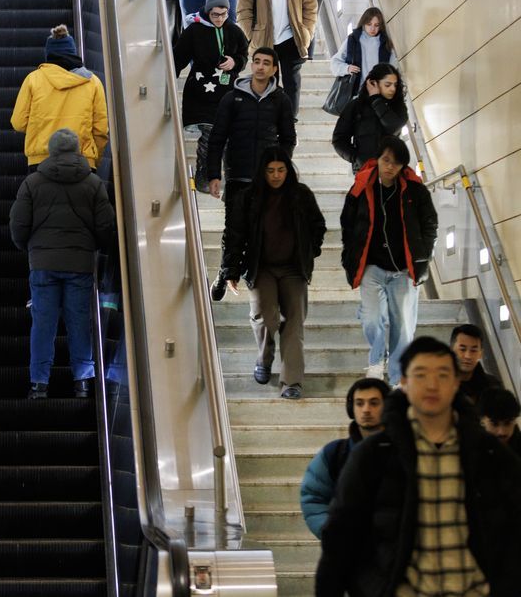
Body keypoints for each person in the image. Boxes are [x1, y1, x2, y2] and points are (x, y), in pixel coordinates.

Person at [316, 337, 521, 597]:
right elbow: (341, 536)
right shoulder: (375, 455)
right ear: (403, 383)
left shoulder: (490, 454)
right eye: (421, 375)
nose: (432, 385)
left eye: (443, 375)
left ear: (456, 383)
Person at [9, 128, 116, 399]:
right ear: (78, 151)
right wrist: (96, 247)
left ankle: (39, 383)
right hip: (79, 263)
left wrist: (30, 248)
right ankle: (82, 381)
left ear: (51, 151)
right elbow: (105, 225)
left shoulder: (32, 183)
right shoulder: (93, 184)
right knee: (79, 320)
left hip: (42, 263)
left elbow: (19, 224)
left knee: (43, 323)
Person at [218, 146, 325, 398]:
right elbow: (233, 235)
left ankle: (291, 382)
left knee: (294, 323)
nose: (276, 176)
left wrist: (310, 252)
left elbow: (317, 226)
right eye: (270, 171)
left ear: (288, 171)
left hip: (293, 269)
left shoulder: (301, 195)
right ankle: (265, 358)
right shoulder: (248, 197)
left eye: (281, 170)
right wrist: (231, 269)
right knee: (265, 318)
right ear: (262, 172)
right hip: (261, 267)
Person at [340, 136, 438, 383]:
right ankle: (376, 360)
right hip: (372, 266)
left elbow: (430, 224)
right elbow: (347, 222)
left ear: (403, 166)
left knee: (403, 325)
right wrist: (348, 254)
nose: (390, 166)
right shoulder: (362, 188)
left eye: (396, 162)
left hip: (403, 269)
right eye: (386, 160)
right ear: (377, 160)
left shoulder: (415, 190)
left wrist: (423, 257)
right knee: (372, 318)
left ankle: (397, 377)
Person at [206, 47, 297, 299]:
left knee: (261, 229)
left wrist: (279, 168)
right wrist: (214, 174)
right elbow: (217, 137)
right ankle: (225, 272)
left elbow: (288, 139)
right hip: (237, 175)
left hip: (265, 180)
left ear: (274, 69)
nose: (259, 66)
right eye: (256, 61)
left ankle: (245, 273)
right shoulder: (232, 97)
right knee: (234, 228)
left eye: (266, 63)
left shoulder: (281, 100)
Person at [172, 0, 249, 192]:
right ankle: (203, 179)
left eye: (223, 14)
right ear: (207, 12)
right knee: (209, 137)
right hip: (200, 94)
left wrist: (235, 62)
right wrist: (168, 80)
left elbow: (243, 54)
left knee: (226, 138)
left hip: (227, 93)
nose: (219, 19)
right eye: (215, 14)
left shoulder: (234, 31)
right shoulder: (194, 31)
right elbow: (177, 58)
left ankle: (223, 179)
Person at [300, 378, 390, 539]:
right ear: (351, 408)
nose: (366, 410)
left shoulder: (407, 450)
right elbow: (313, 499)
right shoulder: (333, 454)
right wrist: (334, 533)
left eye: (374, 403)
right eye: (359, 403)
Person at [11, 24, 109, 172]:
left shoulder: (33, 79)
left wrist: (39, 127)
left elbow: (18, 123)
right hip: (82, 161)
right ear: (73, 53)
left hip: (41, 161)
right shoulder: (93, 82)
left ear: (49, 55)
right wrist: (94, 159)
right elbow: (100, 130)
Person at [237, 0, 317, 119]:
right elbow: (243, 11)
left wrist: (307, 33)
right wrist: (252, 36)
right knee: (268, 83)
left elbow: (310, 7)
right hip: (265, 39)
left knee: (292, 84)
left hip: (291, 37)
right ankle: (271, 121)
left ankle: (290, 121)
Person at [331, 63, 409, 172]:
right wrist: (357, 158)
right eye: (388, 85)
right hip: (365, 170)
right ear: (373, 83)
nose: (392, 89)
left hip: (392, 170)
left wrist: (376, 99)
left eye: (395, 85)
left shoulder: (398, 106)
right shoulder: (356, 106)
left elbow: (393, 126)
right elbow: (339, 139)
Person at [329, 7, 399, 92]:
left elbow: (393, 69)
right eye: (369, 24)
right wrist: (347, 68)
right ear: (363, 23)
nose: (372, 28)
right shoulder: (353, 39)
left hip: (378, 94)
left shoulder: (385, 43)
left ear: (380, 26)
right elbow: (334, 62)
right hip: (355, 92)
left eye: (376, 25)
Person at [451, 323, 502, 404]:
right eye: (462, 349)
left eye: (473, 350)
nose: (468, 356)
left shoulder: (493, 385)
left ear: (480, 354)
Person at [478, 387, 521, 456]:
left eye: (508, 423)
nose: (502, 432)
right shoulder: (472, 449)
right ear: (482, 420)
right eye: (494, 424)